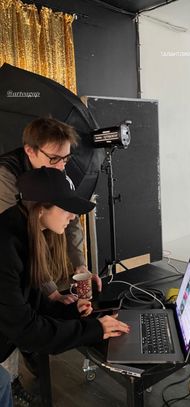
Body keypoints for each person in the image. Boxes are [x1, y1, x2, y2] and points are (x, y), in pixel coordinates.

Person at [0, 117, 101, 404]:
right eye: (55, 158)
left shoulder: (46, 194)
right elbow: (24, 326)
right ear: (31, 151)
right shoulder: (7, 185)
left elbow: (69, 224)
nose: (61, 164)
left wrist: (58, 301)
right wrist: (52, 294)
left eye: (66, 159)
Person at [0, 167, 129, 386]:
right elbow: (26, 331)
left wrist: (67, 311)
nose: (72, 216)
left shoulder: (22, 229)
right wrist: (95, 329)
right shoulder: (5, 247)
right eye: (67, 208)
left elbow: (28, 299)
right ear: (41, 209)